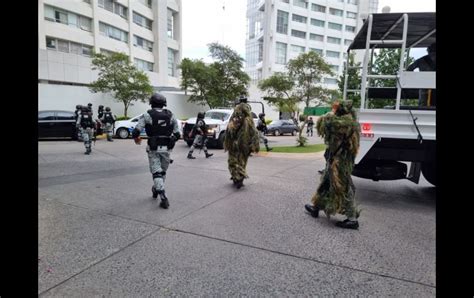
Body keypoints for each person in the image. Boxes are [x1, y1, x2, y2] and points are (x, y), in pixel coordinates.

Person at [305, 100, 361, 229]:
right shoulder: (346, 121)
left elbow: (328, 123)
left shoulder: (347, 122)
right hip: (334, 158)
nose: (333, 110)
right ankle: (316, 207)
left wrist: (329, 114)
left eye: (336, 108)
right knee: (325, 182)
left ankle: (352, 219)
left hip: (341, 161)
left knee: (344, 187)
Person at [131, 93, 180, 209]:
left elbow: (136, 131)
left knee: (157, 172)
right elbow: (177, 134)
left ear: (151, 103)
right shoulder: (171, 115)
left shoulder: (147, 115)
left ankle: (160, 192)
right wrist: (170, 139)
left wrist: (136, 138)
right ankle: (159, 191)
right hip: (167, 149)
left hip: (153, 148)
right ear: (164, 104)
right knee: (161, 172)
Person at [224, 96, 260, 189]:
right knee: (242, 162)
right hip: (245, 145)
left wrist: (230, 139)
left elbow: (231, 130)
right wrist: (253, 144)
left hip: (236, 144)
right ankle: (239, 177)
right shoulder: (249, 118)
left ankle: (237, 178)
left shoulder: (237, 116)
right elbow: (254, 132)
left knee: (233, 161)